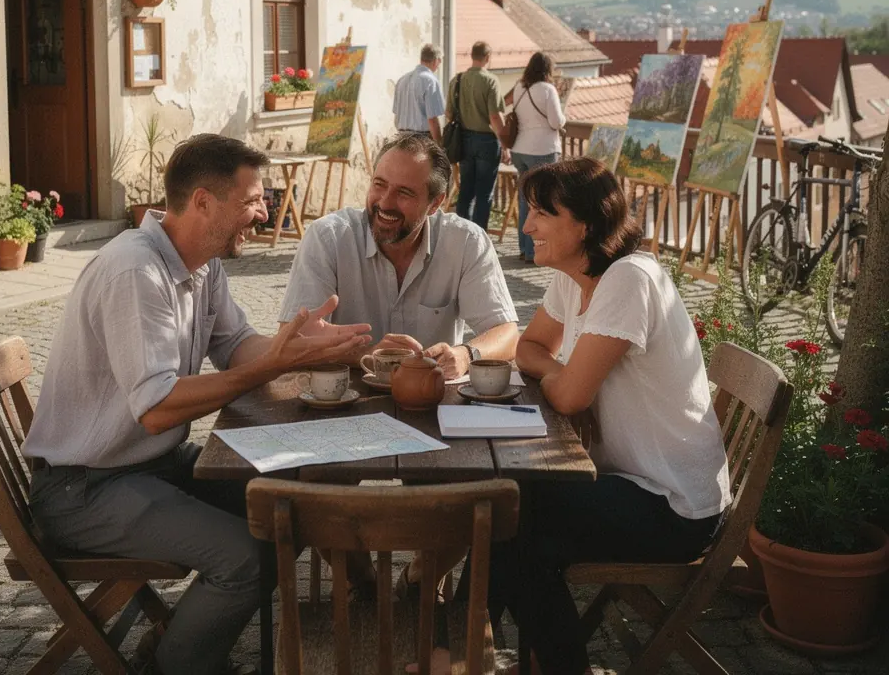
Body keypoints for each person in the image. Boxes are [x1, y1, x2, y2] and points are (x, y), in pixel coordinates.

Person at [22, 134, 372, 675]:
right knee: (247, 559)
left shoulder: (200, 261)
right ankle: (171, 665)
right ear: (204, 202)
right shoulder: (135, 271)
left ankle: (175, 647)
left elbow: (237, 347)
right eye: (252, 200)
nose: (263, 212)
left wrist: (297, 349)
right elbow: (158, 407)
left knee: (295, 501)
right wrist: (271, 366)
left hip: (146, 467)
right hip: (84, 488)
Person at [476, 157, 730, 675]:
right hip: (630, 483)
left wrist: (571, 385)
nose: (526, 227)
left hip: (673, 505)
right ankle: (470, 646)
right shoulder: (576, 278)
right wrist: (566, 376)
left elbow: (567, 397)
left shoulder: (628, 280)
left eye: (541, 214)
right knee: (510, 511)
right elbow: (527, 348)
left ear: (587, 226)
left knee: (511, 516)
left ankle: (477, 647)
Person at [278, 133, 518, 381]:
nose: (385, 202)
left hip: (432, 403)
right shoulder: (327, 238)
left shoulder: (465, 241)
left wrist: (466, 355)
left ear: (435, 203)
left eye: (404, 193)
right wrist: (366, 353)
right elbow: (289, 343)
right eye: (379, 184)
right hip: (343, 400)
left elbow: (507, 334)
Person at [503, 51, 566, 263]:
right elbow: (556, 121)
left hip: (520, 149)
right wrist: (564, 118)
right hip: (542, 150)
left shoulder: (520, 87)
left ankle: (524, 248)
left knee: (525, 200)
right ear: (548, 70)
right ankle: (537, 252)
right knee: (543, 202)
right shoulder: (548, 89)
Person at [445, 41, 510, 230]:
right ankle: (479, 234)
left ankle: (461, 232)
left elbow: (449, 113)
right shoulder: (490, 80)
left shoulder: (457, 80)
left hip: (463, 139)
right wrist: (505, 144)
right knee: (484, 193)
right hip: (487, 141)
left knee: (466, 189)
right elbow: (495, 116)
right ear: (488, 58)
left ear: (471, 56)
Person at [393, 43, 445, 141]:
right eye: (440, 60)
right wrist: (439, 146)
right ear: (436, 61)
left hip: (401, 139)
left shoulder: (402, 80)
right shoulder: (431, 81)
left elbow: (396, 118)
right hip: (422, 140)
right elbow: (432, 120)